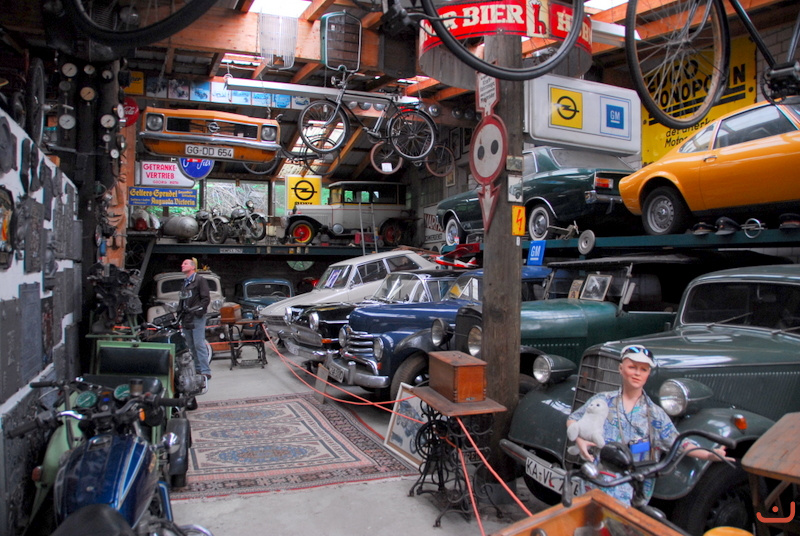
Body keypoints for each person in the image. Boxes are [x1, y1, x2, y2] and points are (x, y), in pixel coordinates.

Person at [566, 344, 732, 506]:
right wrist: (580, 441)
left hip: (630, 487)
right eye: (632, 367)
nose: (637, 373)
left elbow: (679, 443)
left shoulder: (655, 414)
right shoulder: (603, 401)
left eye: (643, 369)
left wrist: (709, 454)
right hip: (596, 479)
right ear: (621, 369)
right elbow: (574, 419)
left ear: (648, 374)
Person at [179, 258, 212, 379]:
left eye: (185, 263)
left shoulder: (200, 280)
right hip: (186, 317)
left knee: (199, 344)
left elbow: (206, 298)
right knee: (191, 345)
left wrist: (198, 311)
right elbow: (182, 300)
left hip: (196, 317)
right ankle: (198, 369)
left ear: (193, 267)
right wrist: (179, 314)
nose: (182, 265)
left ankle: (205, 370)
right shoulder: (184, 283)